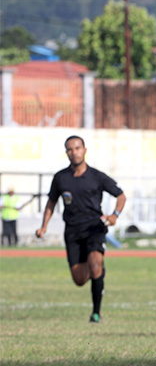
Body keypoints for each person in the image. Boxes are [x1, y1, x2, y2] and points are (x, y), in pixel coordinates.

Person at [36, 135, 126, 323]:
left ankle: (96, 313)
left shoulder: (97, 176)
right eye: (70, 149)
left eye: (77, 148)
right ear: (66, 152)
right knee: (79, 280)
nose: (74, 152)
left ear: (84, 150)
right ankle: (98, 270)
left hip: (95, 228)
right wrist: (43, 226)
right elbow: (51, 202)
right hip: (73, 232)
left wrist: (114, 215)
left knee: (95, 265)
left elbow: (121, 196)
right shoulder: (61, 178)